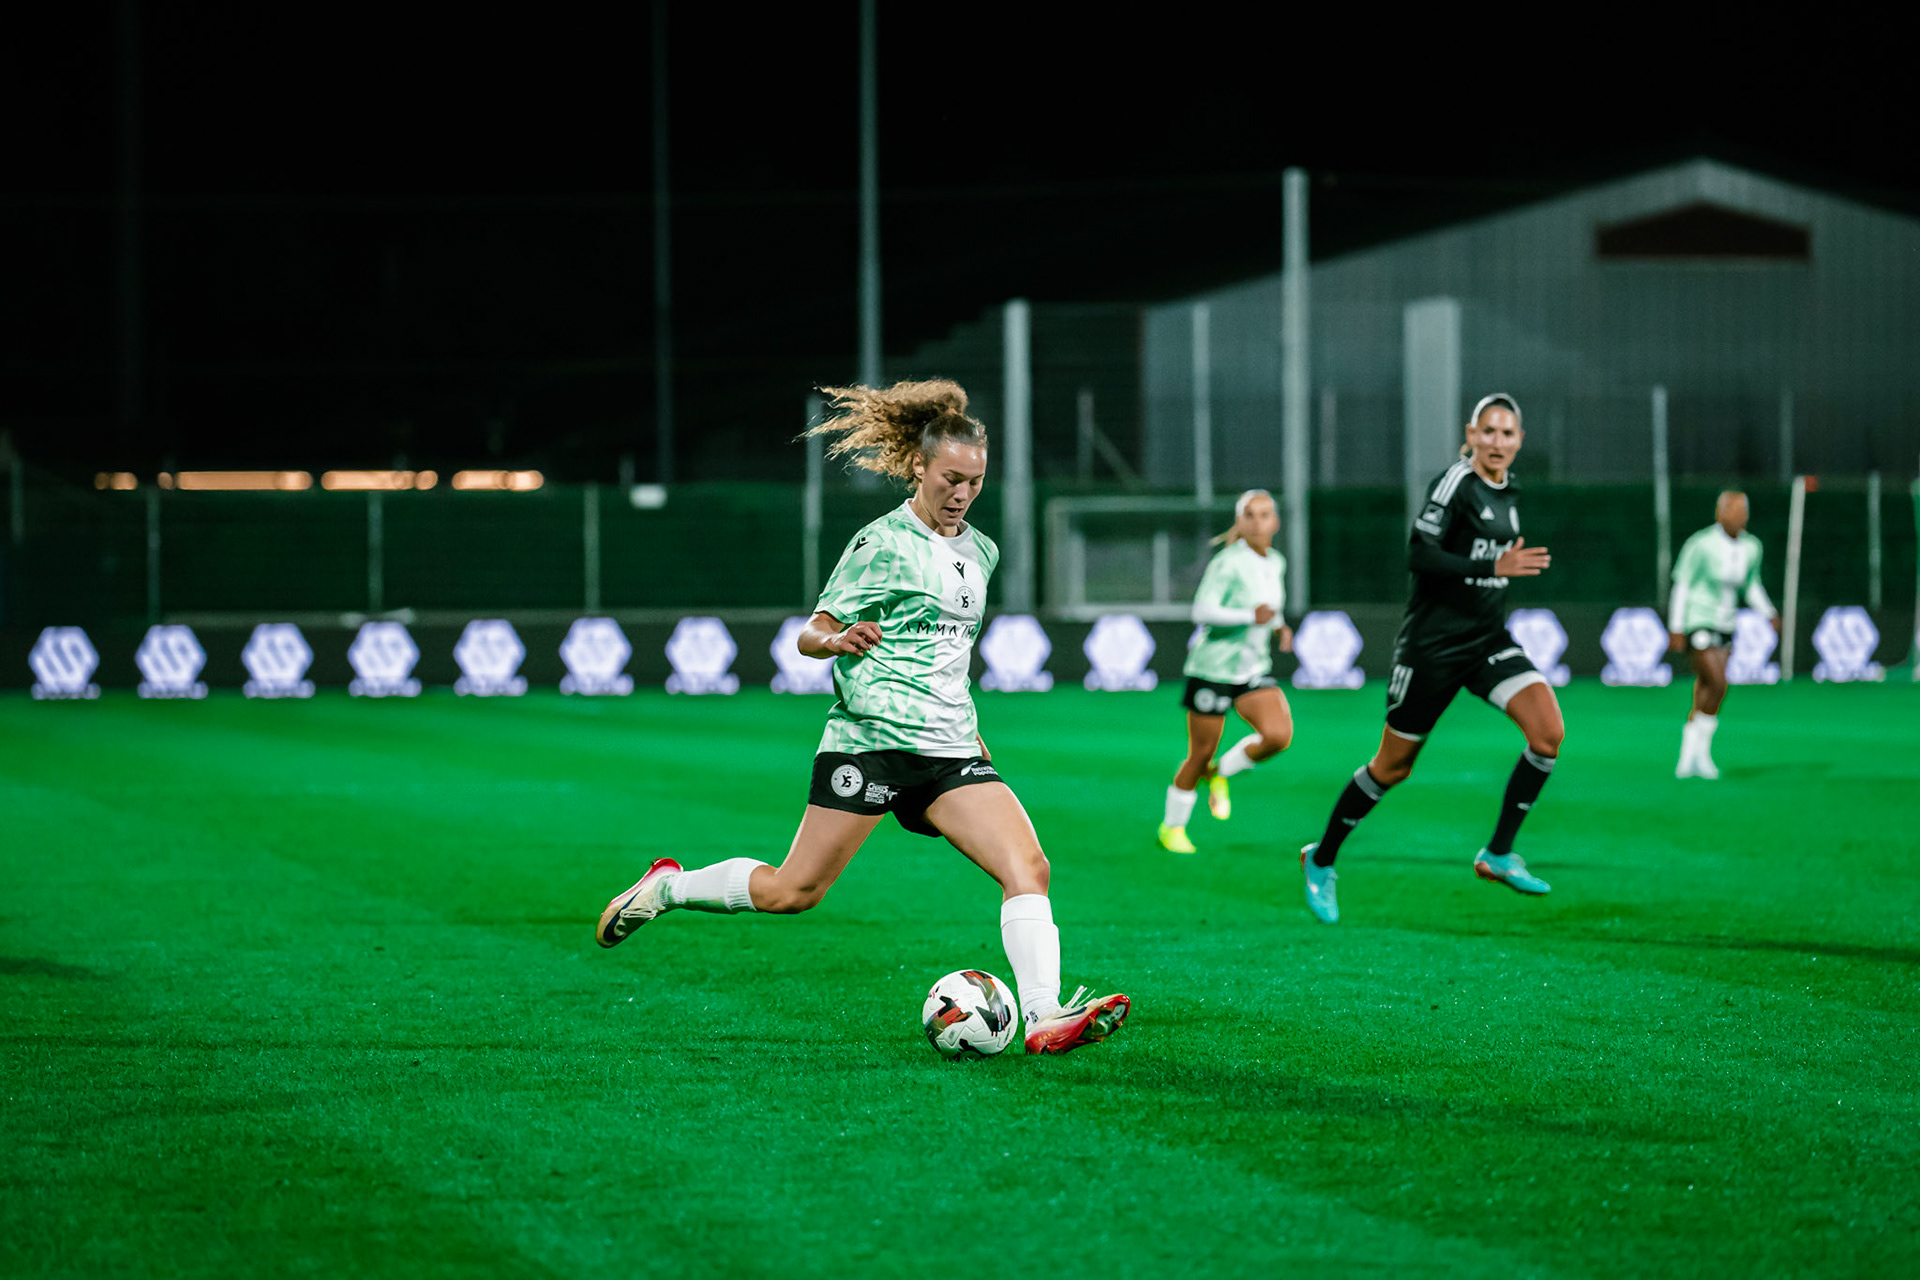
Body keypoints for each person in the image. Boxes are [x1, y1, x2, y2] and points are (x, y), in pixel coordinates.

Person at [594, 378, 1129, 1055]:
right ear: (919, 467)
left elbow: (949, 657)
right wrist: (839, 639)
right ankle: (668, 888)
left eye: (975, 481)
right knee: (794, 891)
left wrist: (974, 738)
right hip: (869, 744)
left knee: (1030, 868)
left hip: (950, 751)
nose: (962, 493)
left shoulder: (981, 552)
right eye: (951, 479)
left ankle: (1044, 1014)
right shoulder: (882, 543)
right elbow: (810, 632)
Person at [1297, 393, 1562, 924]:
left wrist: (1495, 573)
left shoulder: (1510, 491)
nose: (1497, 442)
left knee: (1547, 734)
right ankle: (1321, 859)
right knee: (1392, 768)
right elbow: (1418, 554)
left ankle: (1498, 854)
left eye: (1507, 433)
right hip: (1432, 649)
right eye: (1488, 431)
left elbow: (1490, 564)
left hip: (1487, 642)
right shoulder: (1455, 483)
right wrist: (1491, 568)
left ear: (1519, 441)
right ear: (1471, 434)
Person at [1159, 489, 1296, 853]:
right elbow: (1201, 611)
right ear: (1239, 521)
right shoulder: (1228, 563)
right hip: (1213, 669)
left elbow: (1269, 608)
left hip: (1252, 669)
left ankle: (1220, 773)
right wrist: (1251, 616)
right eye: (1249, 515)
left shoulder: (1276, 562)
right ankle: (1172, 829)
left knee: (1278, 735)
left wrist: (1279, 626)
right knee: (1199, 753)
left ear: (1275, 522)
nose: (1257, 522)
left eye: (1264, 515)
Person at [1667, 490, 1778, 779]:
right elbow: (1682, 584)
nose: (1740, 516)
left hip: (1727, 623)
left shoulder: (1752, 547)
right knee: (1718, 682)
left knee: (1707, 689)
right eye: (1734, 510)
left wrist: (1768, 611)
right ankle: (1698, 755)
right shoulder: (1701, 544)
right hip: (1698, 620)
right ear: (1720, 513)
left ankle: (1692, 757)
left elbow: (1751, 584)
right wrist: (1676, 626)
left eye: (1743, 511)